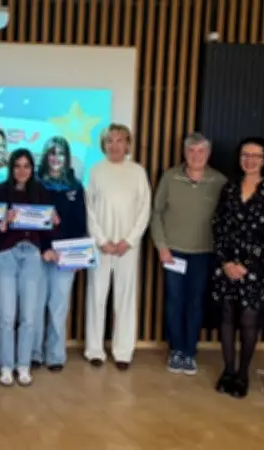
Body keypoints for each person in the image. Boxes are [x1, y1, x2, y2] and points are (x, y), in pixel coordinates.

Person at [211, 137, 264, 397]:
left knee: (249, 319)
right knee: (227, 317)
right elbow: (218, 226)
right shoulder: (229, 189)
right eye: (245, 155)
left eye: (256, 156)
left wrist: (247, 264)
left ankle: (243, 374)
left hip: (257, 268)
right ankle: (228, 370)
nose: (250, 160)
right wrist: (226, 262)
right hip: (227, 265)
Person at [151, 133, 227, 375]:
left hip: (203, 253)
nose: (196, 155)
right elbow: (156, 213)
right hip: (173, 252)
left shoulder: (219, 181)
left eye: (201, 151)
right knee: (174, 301)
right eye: (191, 150)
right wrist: (162, 246)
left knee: (196, 303)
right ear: (184, 153)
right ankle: (176, 350)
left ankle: (189, 352)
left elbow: (226, 219)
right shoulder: (170, 177)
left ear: (208, 154)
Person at [84, 123, 151, 370]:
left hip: (127, 247)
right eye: (109, 141)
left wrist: (129, 240)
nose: (114, 145)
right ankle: (94, 349)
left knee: (125, 298)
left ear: (128, 144)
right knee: (96, 296)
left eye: (119, 140)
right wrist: (101, 239)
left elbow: (144, 209)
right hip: (101, 245)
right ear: (103, 145)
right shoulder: (95, 171)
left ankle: (123, 351)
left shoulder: (138, 172)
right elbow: (89, 209)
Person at [0, 149, 57, 386]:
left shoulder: (41, 192)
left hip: (32, 255)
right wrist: (2, 223)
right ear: (11, 168)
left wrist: (54, 225)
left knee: (29, 315)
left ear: (32, 169)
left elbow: (48, 228)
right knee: (6, 315)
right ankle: (6, 365)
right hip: (5, 255)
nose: (22, 170)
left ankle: (23, 364)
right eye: (17, 166)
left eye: (26, 166)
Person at [32, 136, 87, 371]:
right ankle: (33, 353)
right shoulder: (35, 183)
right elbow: (31, 220)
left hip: (65, 256)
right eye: (52, 153)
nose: (56, 158)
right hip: (38, 254)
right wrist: (44, 248)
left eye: (61, 153)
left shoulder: (75, 186)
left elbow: (80, 224)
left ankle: (55, 355)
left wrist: (76, 255)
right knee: (35, 306)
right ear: (46, 156)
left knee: (58, 307)